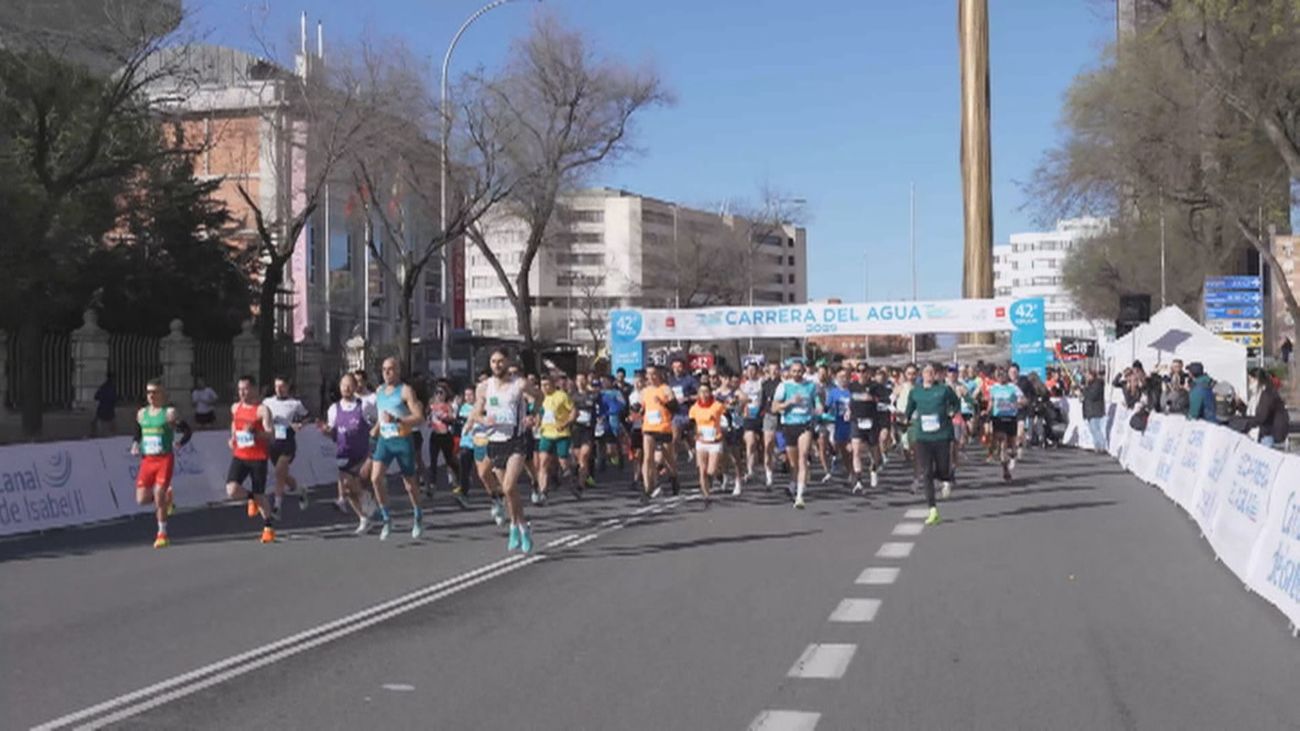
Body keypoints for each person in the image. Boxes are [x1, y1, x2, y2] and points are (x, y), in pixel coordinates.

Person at [469, 349, 541, 552]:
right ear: (490, 364)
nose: (497, 365)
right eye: (493, 361)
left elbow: (539, 396)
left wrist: (533, 415)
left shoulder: (519, 384)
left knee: (509, 487)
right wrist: (484, 419)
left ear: (507, 362)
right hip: (495, 441)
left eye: (500, 361)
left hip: (516, 440)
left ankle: (518, 527)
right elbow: (475, 412)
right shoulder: (484, 387)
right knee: (511, 492)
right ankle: (519, 526)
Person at [368, 357, 427, 540]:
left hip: (402, 440)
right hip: (385, 441)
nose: (386, 372)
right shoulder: (379, 391)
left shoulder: (406, 391)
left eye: (391, 369)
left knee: (409, 485)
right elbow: (381, 416)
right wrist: (375, 430)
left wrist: (398, 420)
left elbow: (419, 417)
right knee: (375, 478)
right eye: (384, 369)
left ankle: (418, 515)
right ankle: (387, 519)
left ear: (398, 371)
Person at [131, 380, 192, 548]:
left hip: (164, 459)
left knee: (158, 494)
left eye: (155, 392)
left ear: (163, 394)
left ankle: (162, 533)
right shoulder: (142, 414)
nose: (151, 396)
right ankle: (166, 499)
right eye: (149, 392)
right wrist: (135, 443)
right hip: (147, 461)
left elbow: (187, 430)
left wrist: (180, 442)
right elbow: (138, 432)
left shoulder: (169, 413)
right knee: (141, 499)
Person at [904, 363, 961, 526]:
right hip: (923, 437)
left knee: (943, 468)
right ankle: (933, 509)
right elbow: (909, 410)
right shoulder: (915, 392)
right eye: (926, 372)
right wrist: (903, 420)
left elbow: (955, 404)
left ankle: (946, 476)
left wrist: (952, 412)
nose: (929, 375)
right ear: (922, 375)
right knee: (927, 472)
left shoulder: (943, 390)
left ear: (935, 375)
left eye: (931, 372)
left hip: (942, 435)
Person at [318, 373, 376, 534]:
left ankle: (366, 499)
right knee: (347, 487)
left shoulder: (364, 405)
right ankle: (364, 518)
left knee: (357, 484)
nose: (346, 388)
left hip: (363, 454)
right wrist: (326, 431)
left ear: (355, 387)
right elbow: (333, 433)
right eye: (343, 385)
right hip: (344, 453)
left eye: (350, 385)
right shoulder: (333, 409)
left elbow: (377, 422)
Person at [225, 376, 276, 543]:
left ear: (254, 389)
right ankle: (250, 497)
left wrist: (255, 433)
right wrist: (232, 438)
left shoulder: (262, 410)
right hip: (240, 454)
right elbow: (235, 424)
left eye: (245, 389)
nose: (242, 393)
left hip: (258, 457)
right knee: (231, 490)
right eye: (239, 389)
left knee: (261, 495)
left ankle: (268, 527)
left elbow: (271, 434)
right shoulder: (235, 407)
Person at [772, 359, 820, 509]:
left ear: (804, 371)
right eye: (794, 371)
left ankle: (799, 497)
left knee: (803, 456)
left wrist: (819, 407)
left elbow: (817, 401)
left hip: (805, 424)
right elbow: (774, 408)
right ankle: (794, 483)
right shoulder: (784, 386)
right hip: (789, 425)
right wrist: (789, 402)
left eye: (799, 371)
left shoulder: (811, 386)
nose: (797, 374)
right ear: (790, 372)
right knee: (793, 463)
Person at [263, 376, 310, 518]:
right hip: (272, 442)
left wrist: (301, 425)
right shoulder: (267, 402)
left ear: (288, 387)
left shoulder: (295, 403)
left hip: (287, 442)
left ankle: (277, 506)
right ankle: (300, 490)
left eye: (282, 386)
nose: (278, 389)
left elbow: (307, 416)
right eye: (276, 386)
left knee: (279, 472)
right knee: (281, 475)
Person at [639, 365, 680, 501]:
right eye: (648, 374)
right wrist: (637, 411)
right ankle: (647, 488)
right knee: (647, 458)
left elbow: (675, 407)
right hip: (649, 427)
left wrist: (663, 403)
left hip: (663, 427)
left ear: (659, 375)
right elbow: (641, 407)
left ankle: (674, 477)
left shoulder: (665, 389)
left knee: (669, 459)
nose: (651, 377)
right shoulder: (645, 391)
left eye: (654, 374)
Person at [536, 373, 576, 504]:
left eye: (547, 385)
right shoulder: (542, 398)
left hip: (561, 434)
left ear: (553, 384)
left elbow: (574, 411)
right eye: (542, 385)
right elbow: (540, 413)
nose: (544, 388)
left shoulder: (562, 396)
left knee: (563, 462)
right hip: (546, 434)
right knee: (543, 463)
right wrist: (536, 424)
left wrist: (566, 423)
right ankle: (543, 492)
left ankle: (571, 483)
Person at [689, 381, 727, 505]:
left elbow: (727, 419)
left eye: (706, 392)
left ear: (710, 393)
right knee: (702, 470)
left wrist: (726, 427)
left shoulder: (717, 406)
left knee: (711, 470)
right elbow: (691, 424)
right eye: (701, 392)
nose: (704, 395)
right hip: (701, 442)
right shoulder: (694, 408)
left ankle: (714, 478)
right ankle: (706, 496)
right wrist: (693, 434)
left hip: (715, 441)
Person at [987, 367, 1026, 482]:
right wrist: (986, 413)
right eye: (998, 375)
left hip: (1011, 418)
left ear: (1006, 375)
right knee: (1002, 443)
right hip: (998, 418)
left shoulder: (1013, 387)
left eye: (1002, 374)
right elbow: (991, 402)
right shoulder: (993, 388)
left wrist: (1019, 403)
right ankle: (1005, 470)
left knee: (1011, 446)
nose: (1000, 376)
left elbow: (1023, 400)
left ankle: (1013, 454)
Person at [847, 366, 882, 493]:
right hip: (856, 421)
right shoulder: (852, 386)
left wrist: (872, 398)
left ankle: (873, 469)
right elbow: (849, 401)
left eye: (863, 371)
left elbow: (883, 399)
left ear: (868, 373)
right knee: (856, 451)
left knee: (874, 451)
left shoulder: (875, 386)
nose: (861, 374)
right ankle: (859, 480)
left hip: (871, 421)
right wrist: (848, 410)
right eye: (858, 371)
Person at [427, 386, 462, 504]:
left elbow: (453, 419)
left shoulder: (448, 406)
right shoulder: (431, 405)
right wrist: (429, 417)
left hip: (446, 435)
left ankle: (458, 479)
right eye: (436, 392)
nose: (438, 395)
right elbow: (427, 418)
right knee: (433, 461)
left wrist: (445, 417)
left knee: (450, 460)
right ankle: (432, 485)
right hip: (435, 435)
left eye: (441, 392)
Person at [1245, 367, 1290, 448]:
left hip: (1266, 435)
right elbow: (1253, 413)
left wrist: (1245, 424)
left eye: (1250, 380)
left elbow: (1262, 416)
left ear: (1257, 379)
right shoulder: (1256, 395)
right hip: (1260, 433)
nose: (1249, 383)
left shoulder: (1266, 394)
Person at [571, 372, 599, 494]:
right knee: (579, 459)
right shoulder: (571, 396)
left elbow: (602, 408)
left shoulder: (593, 396)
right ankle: (584, 476)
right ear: (575, 382)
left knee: (584, 456)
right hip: (576, 429)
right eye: (579, 380)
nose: (581, 382)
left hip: (588, 430)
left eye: (583, 380)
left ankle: (580, 486)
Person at [1082, 369, 1108, 452]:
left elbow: (1092, 395)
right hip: (1090, 410)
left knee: (1096, 429)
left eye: (1088, 375)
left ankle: (1102, 446)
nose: (1086, 377)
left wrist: (1084, 390)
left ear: (1092, 375)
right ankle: (1097, 446)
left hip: (1095, 410)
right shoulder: (1090, 384)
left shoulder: (1097, 384)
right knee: (1093, 430)